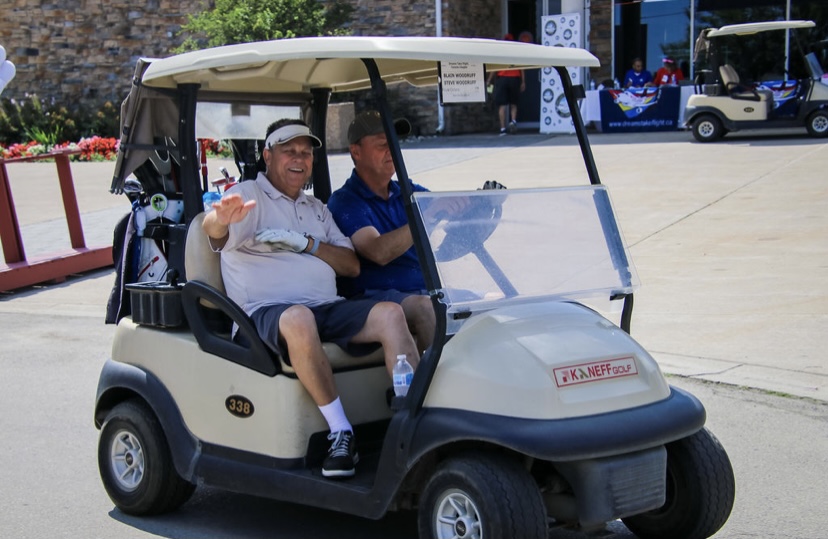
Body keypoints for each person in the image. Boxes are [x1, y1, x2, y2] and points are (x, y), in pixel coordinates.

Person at [202, 118, 419, 479]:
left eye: (306, 152)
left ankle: (412, 421)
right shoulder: (249, 195)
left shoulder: (316, 208)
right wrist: (219, 219)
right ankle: (340, 433)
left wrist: (307, 244)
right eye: (289, 151)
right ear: (267, 156)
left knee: (391, 313)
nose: (299, 159)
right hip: (266, 314)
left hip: (326, 308)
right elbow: (216, 229)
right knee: (299, 318)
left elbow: (351, 265)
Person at [327, 111, 442, 355]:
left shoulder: (408, 190)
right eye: (382, 145)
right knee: (427, 308)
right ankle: (437, 380)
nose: (392, 151)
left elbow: (453, 216)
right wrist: (429, 215)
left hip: (424, 289)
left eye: (394, 144)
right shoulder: (345, 201)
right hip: (375, 297)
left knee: (491, 303)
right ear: (356, 152)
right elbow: (378, 251)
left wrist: (483, 205)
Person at [486, 33, 525, 135]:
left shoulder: (500, 53)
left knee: (502, 105)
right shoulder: (516, 53)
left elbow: (494, 69)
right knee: (514, 104)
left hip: (502, 79)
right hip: (514, 78)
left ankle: (503, 129)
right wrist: (523, 81)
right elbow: (522, 68)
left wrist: (489, 80)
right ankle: (513, 121)